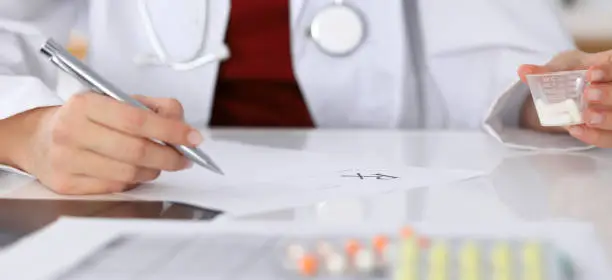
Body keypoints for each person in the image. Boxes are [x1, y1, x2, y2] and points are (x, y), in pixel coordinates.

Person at [0, 0, 608, 195]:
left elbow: (515, 73)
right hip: (150, 192)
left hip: (414, 210)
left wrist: (569, 101)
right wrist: (26, 130)